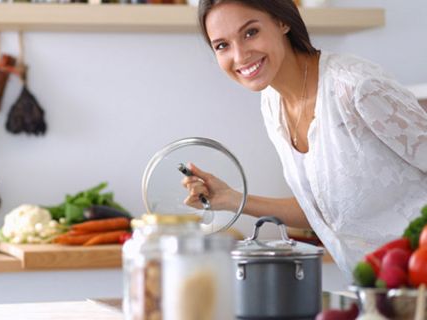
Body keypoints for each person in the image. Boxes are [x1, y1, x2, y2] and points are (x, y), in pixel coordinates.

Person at [181, 0, 427, 278]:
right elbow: (325, 210)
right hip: (378, 291)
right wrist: (232, 199)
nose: (239, 55)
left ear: (283, 21)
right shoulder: (272, 104)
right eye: (222, 45)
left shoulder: (356, 87)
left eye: (250, 32)